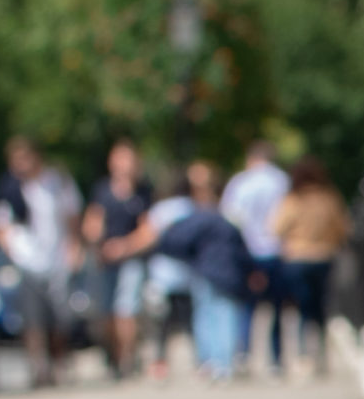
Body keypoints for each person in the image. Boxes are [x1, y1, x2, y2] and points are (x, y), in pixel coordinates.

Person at [145, 161, 262, 382]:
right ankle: (222, 364)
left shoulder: (198, 218)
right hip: (222, 274)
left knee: (208, 317)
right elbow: (242, 249)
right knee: (220, 317)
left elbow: (169, 241)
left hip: (207, 273)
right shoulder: (226, 217)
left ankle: (213, 362)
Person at [0, 136, 82, 388]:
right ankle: (38, 368)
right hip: (27, 261)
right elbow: (0, 224)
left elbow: (72, 217)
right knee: (32, 319)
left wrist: (74, 247)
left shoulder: (57, 183)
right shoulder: (10, 188)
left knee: (60, 318)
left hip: (56, 258)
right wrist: (12, 250)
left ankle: (58, 363)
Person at [266, 156, 351, 379]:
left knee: (301, 309)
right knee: (320, 308)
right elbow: (343, 228)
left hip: (297, 258)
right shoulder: (329, 198)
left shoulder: (293, 200)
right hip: (324, 257)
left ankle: (304, 356)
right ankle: (321, 355)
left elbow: (276, 228)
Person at [82, 139, 154, 378]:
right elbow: (92, 221)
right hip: (105, 259)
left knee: (127, 310)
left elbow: (148, 230)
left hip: (130, 258)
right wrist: (95, 240)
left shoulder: (144, 191)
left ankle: (127, 359)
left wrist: (124, 246)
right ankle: (112, 356)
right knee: (105, 313)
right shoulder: (103, 190)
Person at [218, 138, 289, 375]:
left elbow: (230, 219)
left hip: (247, 251)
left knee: (247, 306)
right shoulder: (282, 181)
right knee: (277, 308)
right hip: (275, 250)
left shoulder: (241, 182)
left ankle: (243, 355)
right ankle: (276, 359)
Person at [136, 176, 199, 382]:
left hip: (162, 275)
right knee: (190, 322)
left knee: (162, 325)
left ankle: (160, 364)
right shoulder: (194, 208)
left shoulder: (159, 210)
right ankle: (199, 362)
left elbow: (147, 237)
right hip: (188, 275)